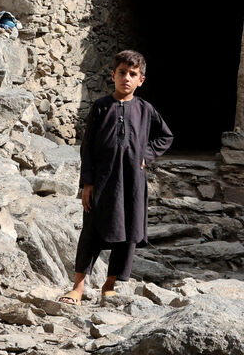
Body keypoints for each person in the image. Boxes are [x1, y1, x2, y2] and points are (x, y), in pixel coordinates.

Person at [59, 50, 173, 304]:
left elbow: (166, 136)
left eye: (133, 74)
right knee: (91, 231)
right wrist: (86, 183)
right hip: (102, 180)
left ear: (141, 80)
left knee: (128, 230)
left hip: (133, 181)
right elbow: (87, 147)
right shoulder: (101, 107)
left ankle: (110, 285)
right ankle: (78, 286)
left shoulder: (145, 109)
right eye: (122, 73)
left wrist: (146, 154)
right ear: (113, 75)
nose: (127, 78)